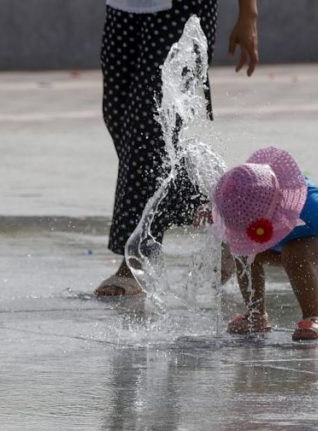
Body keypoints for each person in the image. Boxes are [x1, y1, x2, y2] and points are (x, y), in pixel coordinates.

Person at [95, 0, 259, 296]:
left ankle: (136, 264)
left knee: (149, 126)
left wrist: (248, 13)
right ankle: (227, 217)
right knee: (119, 117)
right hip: (124, 7)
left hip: (181, 7)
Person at [213, 147, 318, 341]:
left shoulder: (308, 198)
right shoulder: (243, 198)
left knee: (294, 253)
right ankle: (255, 315)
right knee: (244, 252)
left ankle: (314, 317)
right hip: (277, 245)